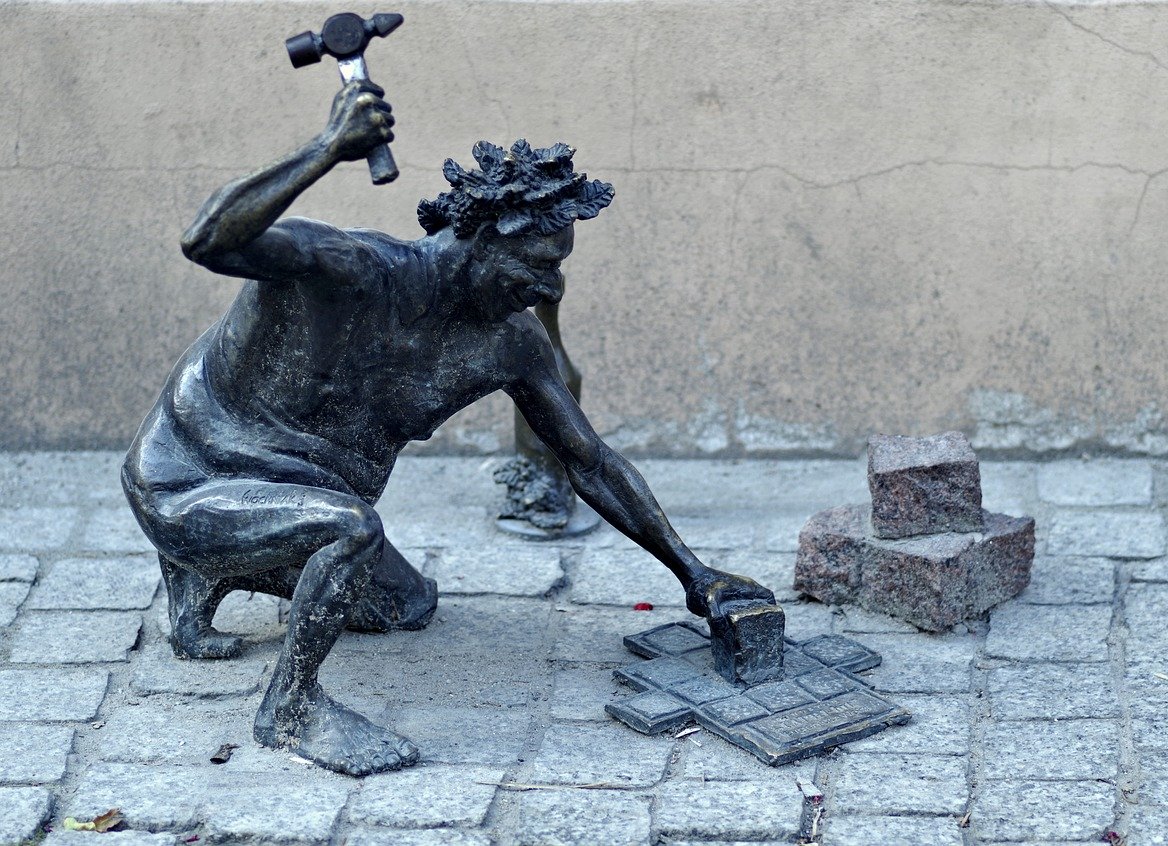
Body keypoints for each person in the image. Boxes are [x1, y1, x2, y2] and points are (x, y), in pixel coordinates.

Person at [121, 80, 775, 776]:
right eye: (542, 265)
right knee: (348, 531)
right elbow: (208, 238)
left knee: (405, 605)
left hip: (293, 492)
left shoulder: (507, 344)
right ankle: (291, 707)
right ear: (486, 242)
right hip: (191, 478)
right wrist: (326, 148)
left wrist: (694, 572)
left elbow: (588, 460)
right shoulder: (350, 271)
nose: (553, 290)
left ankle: (205, 576)